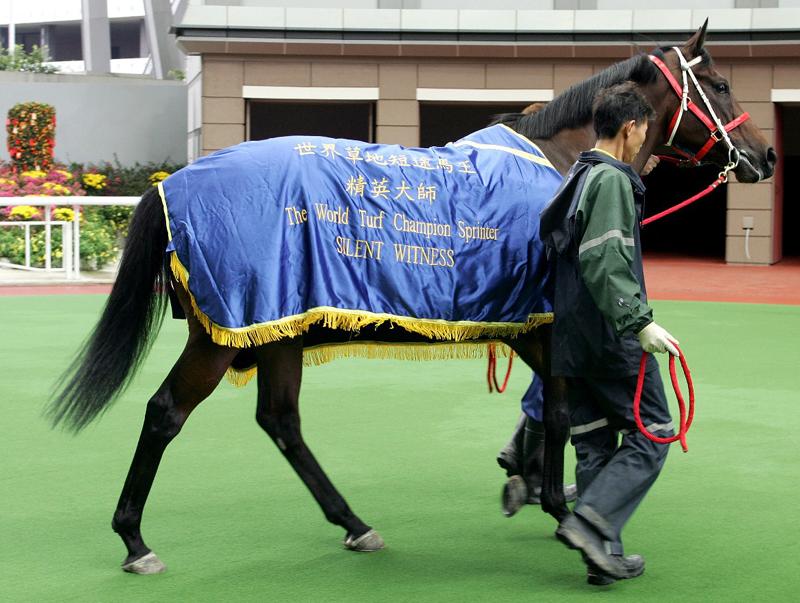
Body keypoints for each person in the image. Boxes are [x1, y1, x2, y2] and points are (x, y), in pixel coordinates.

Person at [537, 81, 678, 586]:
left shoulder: (575, 174)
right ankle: (591, 524)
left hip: (570, 339)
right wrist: (639, 322)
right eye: (643, 131)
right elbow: (603, 257)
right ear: (631, 127)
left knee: (595, 442)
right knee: (655, 430)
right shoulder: (612, 179)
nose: (643, 141)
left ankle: (602, 556)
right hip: (609, 337)